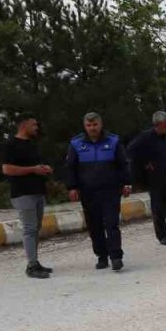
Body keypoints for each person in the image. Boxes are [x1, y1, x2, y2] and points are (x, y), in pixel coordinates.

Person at [64, 111, 133, 271]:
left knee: (111, 223)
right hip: (88, 192)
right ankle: (102, 256)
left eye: (95, 124)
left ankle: (116, 257)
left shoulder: (114, 141)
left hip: (110, 190)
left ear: (100, 124)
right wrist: (72, 187)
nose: (92, 128)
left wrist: (127, 183)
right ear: (85, 126)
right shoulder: (76, 144)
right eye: (89, 125)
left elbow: (123, 164)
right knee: (94, 225)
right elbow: (70, 168)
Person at [0, 115, 53, 279]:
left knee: (36, 228)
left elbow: (37, 165)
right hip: (22, 193)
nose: (36, 127)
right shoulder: (10, 145)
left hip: (38, 191)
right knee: (29, 229)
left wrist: (44, 169)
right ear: (23, 125)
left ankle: (35, 261)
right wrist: (32, 170)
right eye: (34, 124)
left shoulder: (32, 144)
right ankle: (31, 265)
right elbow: (7, 169)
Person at [126, 111, 166, 246]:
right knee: (159, 208)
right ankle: (162, 235)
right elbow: (130, 150)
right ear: (159, 124)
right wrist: (145, 163)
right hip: (155, 179)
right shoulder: (146, 137)